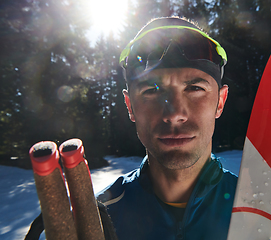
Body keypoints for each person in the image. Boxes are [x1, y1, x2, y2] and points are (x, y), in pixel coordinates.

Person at [96, 16, 238, 240]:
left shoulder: (263, 214)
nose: (174, 114)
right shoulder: (97, 221)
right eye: (152, 91)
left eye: (194, 88)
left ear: (220, 102)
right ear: (130, 106)